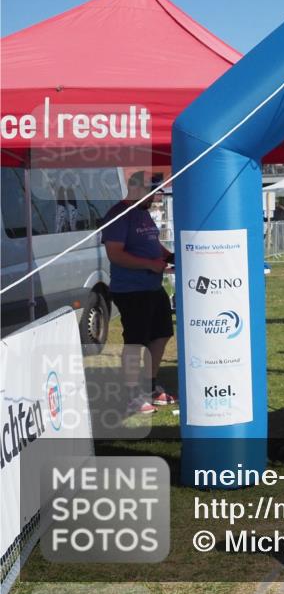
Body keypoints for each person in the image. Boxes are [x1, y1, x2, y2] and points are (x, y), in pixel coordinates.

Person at [101, 171, 178, 415]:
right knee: (136, 342)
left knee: (162, 334)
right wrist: (149, 264)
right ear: (137, 189)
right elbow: (115, 254)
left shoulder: (143, 213)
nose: (155, 199)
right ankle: (132, 396)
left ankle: (150, 387)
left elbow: (153, 244)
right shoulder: (118, 215)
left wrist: (169, 256)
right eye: (152, 194)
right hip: (131, 290)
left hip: (153, 287)